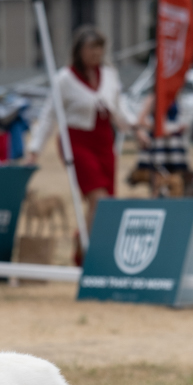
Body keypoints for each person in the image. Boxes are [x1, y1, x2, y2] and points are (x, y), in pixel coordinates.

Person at [26, 26, 128, 264]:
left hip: (104, 141)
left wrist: (136, 128)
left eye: (99, 48)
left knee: (107, 203)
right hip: (77, 142)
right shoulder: (65, 79)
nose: (96, 53)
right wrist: (35, 150)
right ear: (79, 50)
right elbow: (49, 115)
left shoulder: (109, 74)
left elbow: (119, 107)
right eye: (91, 48)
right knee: (98, 199)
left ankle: (84, 244)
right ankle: (85, 255)